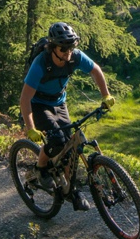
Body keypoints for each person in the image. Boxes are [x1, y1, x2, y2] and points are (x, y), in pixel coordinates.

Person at [20, 21, 113, 209]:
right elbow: (25, 99)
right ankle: (40, 169)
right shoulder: (41, 63)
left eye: (71, 47)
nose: (67, 52)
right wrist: (31, 129)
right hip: (39, 104)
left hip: (59, 102)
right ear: (52, 47)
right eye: (63, 49)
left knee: (70, 146)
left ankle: (71, 190)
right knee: (56, 142)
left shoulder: (74, 57)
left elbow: (96, 70)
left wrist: (106, 95)